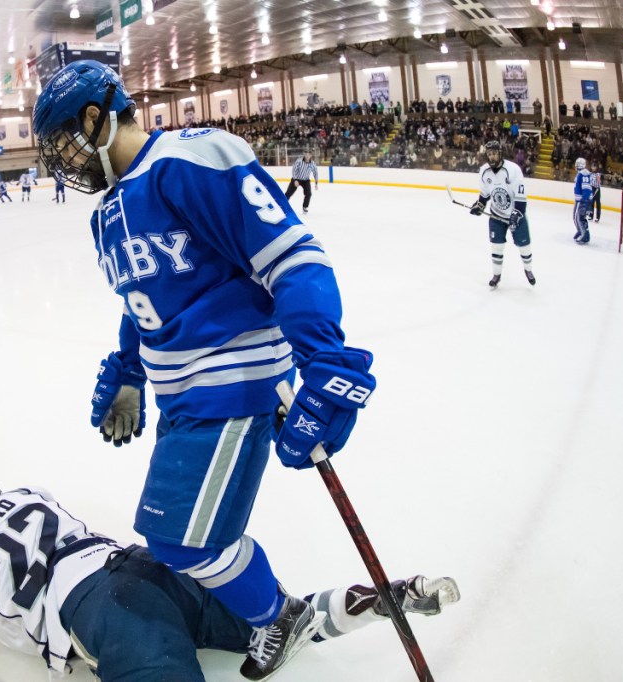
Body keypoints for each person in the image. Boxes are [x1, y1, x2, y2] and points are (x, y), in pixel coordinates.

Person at [33, 60, 377, 681]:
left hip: (235, 382)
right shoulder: (107, 213)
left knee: (181, 543)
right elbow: (141, 306)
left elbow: (293, 258)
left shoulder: (192, 159)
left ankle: (279, 617)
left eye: (62, 143)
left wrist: (323, 359)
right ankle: (276, 613)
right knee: (177, 541)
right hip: (181, 399)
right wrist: (132, 374)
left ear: (95, 117)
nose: (62, 162)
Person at [0, 458, 460, 681]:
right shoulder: (28, 493)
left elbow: (10, 626)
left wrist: (55, 652)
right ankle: (389, 596)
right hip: (148, 567)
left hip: (102, 614)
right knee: (279, 626)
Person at [469, 139, 536, 289]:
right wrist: (479, 205)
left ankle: (528, 271)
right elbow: (485, 194)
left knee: (524, 247)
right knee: (496, 247)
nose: (491, 157)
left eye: (494, 154)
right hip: (496, 215)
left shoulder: (512, 169)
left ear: (500, 154)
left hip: (515, 214)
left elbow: (521, 197)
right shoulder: (484, 171)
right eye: (489, 154)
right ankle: (496, 275)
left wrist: (517, 214)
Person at [572, 157, 593, 244]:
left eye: (577, 164)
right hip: (580, 200)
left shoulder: (583, 174)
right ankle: (581, 231)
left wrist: (585, 201)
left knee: (579, 218)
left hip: (582, 200)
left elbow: (586, 188)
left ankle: (584, 235)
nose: (575, 166)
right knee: (575, 217)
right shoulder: (581, 173)